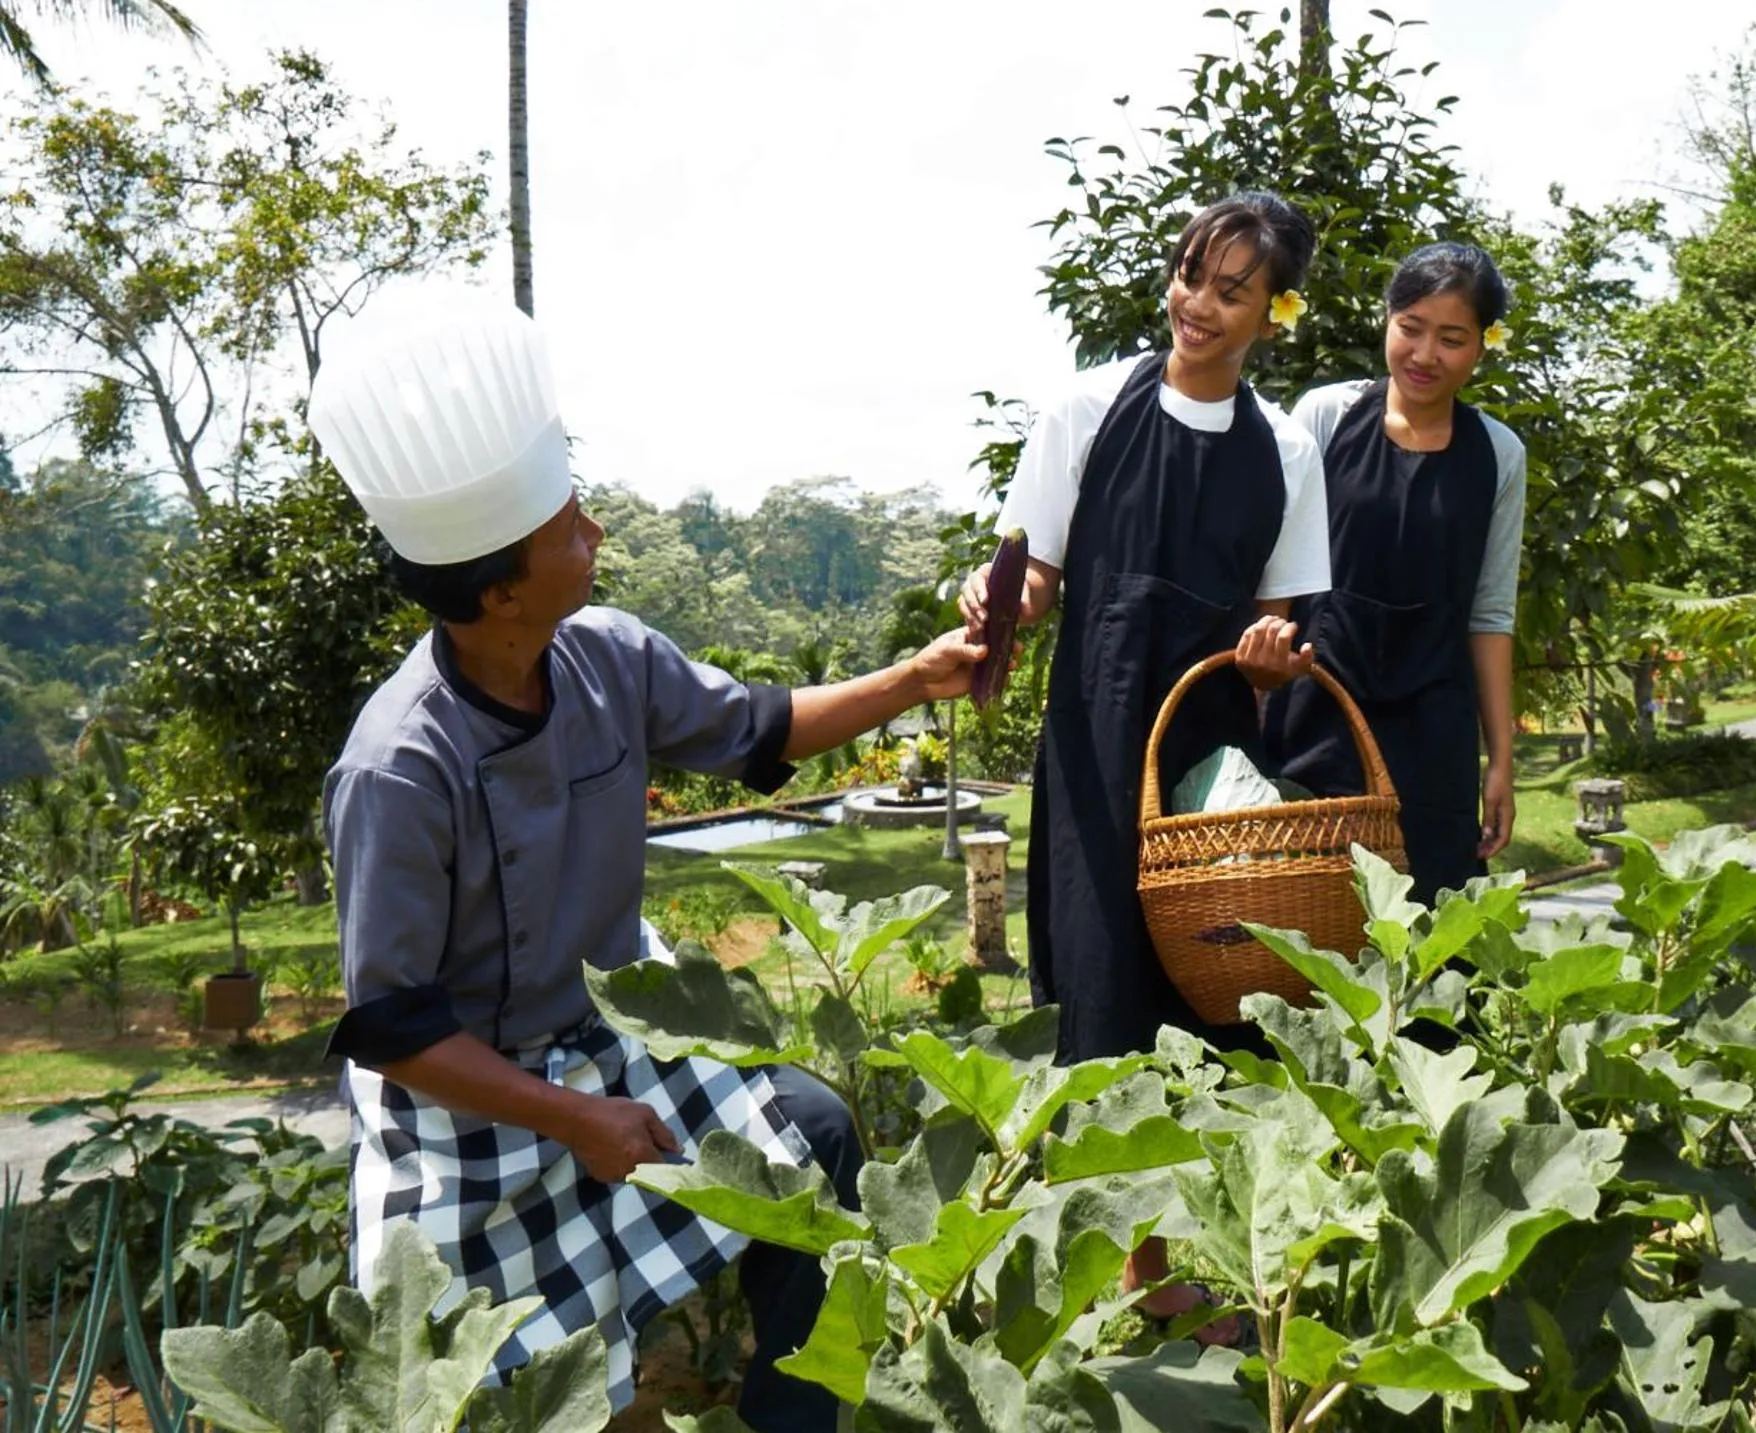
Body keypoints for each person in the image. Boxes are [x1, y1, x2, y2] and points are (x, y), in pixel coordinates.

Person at [309, 292, 983, 1430]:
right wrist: (574, 1119)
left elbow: (762, 728)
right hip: (466, 1098)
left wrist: (913, 679)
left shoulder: (608, 656)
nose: (597, 533)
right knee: (493, 1383)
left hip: (608, 1037)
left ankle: (797, 1416)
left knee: (811, 1137)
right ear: (500, 589)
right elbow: (396, 1028)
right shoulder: (398, 766)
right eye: (570, 525)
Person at [961, 191, 1329, 1338]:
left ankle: (1216, 1251)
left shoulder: (1287, 448)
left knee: (1210, 987)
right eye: (1189, 275)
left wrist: (1271, 657)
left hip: (1211, 763)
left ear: (1274, 313)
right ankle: (1135, 1264)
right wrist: (995, 593)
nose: (1198, 305)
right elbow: (1034, 576)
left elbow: (1281, 623)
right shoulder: (1086, 408)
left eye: (1232, 291)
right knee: (1103, 981)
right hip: (1094, 742)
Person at [1261, 241, 1527, 903]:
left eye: (1452, 339)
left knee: (1433, 919)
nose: (1425, 354)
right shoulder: (1326, 417)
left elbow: (1491, 614)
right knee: (1308, 918)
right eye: (1411, 328)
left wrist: (1500, 760)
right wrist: (1256, 696)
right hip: (1315, 709)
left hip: (1434, 730)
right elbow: (1278, 575)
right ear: (1387, 320)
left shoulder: (1499, 454)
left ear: (1482, 345)